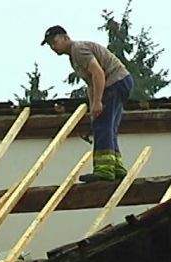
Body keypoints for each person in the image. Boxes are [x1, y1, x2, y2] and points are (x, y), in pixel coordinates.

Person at [41, 25, 134, 182]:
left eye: (54, 42)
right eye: (50, 45)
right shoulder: (74, 56)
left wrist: (98, 102)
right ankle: (117, 167)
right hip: (121, 82)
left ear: (65, 38)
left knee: (103, 126)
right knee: (108, 126)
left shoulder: (78, 50)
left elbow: (98, 73)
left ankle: (104, 169)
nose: (53, 47)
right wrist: (93, 106)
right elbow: (91, 83)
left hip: (114, 82)